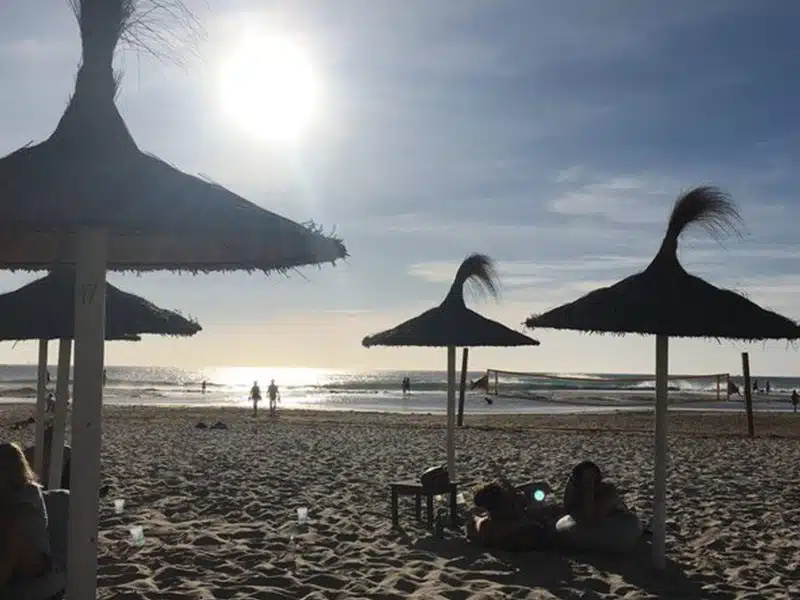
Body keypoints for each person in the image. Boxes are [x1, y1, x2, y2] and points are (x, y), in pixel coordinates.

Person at [0, 442, 51, 587]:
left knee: (11, 536)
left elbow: (16, 520)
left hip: (34, 557)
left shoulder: (29, 491)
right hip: (11, 552)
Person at [562, 460, 626, 526]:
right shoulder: (575, 490)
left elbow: (591, 520)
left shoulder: (607, 491)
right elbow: (567, 510)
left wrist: (589, 491)